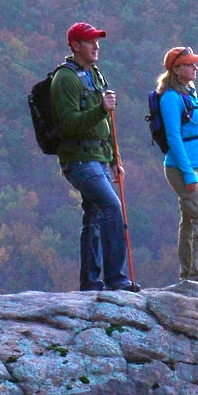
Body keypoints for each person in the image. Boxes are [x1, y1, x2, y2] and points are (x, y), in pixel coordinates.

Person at [42, 21, 133, 290]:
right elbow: (69, 124)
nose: (96, 46)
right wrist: (101, 110)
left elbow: (104, 128)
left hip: (98, 158)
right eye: (90, 41)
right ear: (75, 45)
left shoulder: (95, 74)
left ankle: (90, 283)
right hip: (79, 160)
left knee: (93, 217)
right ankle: (116, 279)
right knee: (111, 207)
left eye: (97, 41)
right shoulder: (65, 79)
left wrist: (115, 160)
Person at [150, 44, 198, 285]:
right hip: (180, 168)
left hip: (194, 166)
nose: (195, 67)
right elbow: (174, 138)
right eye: (189, 64)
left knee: (190, 219)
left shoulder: (190, 92)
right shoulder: (170, 98)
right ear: (177, 69)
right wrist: (189, 173)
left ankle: (188, 275)